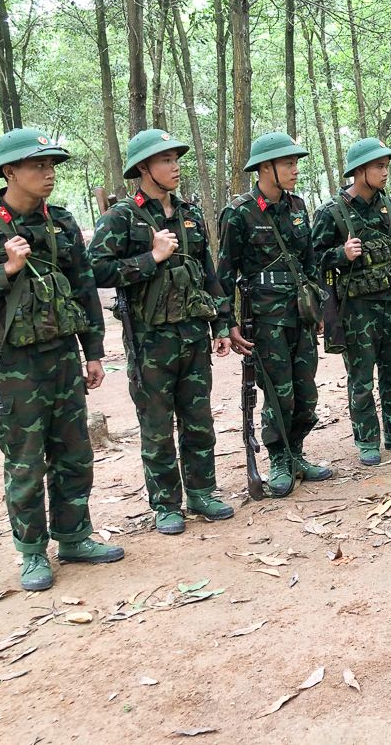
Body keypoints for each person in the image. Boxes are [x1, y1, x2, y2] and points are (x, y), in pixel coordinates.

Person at [0, 128, 123, 590]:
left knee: (74, 452)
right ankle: (31, 553)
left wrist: (95, 353)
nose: (48, 174)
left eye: (51, 167)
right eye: (37, 166)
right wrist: (3, 270)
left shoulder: (61, 223)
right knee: (25, 460)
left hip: (63, 355)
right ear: (9, 172)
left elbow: (84, 288)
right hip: (12, 364)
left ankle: (74, 537)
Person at [89, 130, 235, 534]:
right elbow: (95, 270)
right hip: (149, 341)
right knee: (156, 425)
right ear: (142, 168)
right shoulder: (122, 217)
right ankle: (166, 504)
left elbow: (209, 274)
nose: (175, 167)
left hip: (192, 335)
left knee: (198, 418)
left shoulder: (189, 213)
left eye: (176, 159)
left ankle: (203, 492)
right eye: (165, 160)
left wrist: (221, 323)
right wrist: (150, 258)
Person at [215, 133, 335, 496]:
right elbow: (223, 274)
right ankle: (278, 458)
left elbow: (311, 263)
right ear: (265, 168)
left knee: (305, 392)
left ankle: (296, 453)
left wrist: (317, 309)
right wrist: (227, 324)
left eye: (296, 163)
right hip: (265, 320)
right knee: (278, 392)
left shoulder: (298, 207)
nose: (296, 170)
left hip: (300, 315)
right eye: (288, 164)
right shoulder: (239, 212)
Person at [311, 137, 391, 466]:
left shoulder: (390, 207)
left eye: (386, 166)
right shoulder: (331, 213)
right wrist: (341, 254)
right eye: (379, 166)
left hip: (390, 303)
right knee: (361, 377)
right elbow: (312, 260)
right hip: (355, 309)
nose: (385, 171)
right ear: (359, 171)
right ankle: (366, 440)